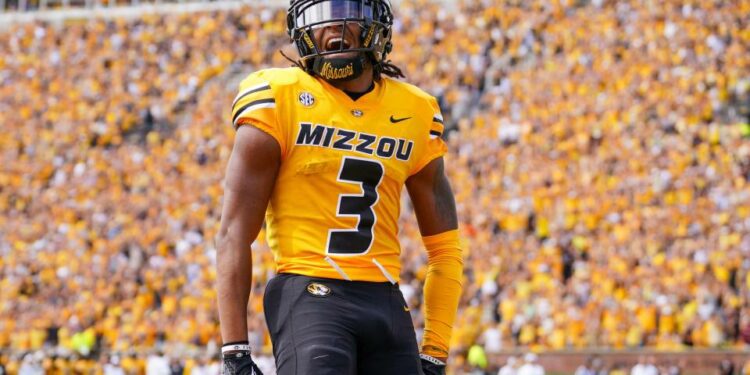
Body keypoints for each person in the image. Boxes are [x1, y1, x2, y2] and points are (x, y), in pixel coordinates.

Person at [215, 0, 463, 374]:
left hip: (386, 299)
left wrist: (435, 351)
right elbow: (234, 233)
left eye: (348, 9)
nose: (333, 25)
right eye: (319, 15)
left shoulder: (415, 110)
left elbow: (445, 249)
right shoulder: (278, 96)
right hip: (309, 290)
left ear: (377, 24)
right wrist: (234, 351)